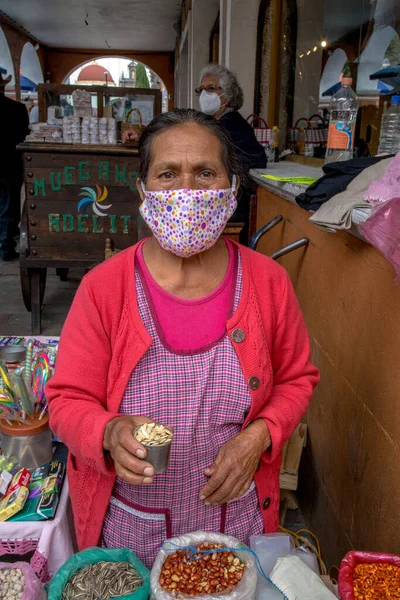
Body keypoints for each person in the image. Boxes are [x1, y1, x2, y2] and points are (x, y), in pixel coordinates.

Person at [46, 109, 319, 569]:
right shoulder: (104, 287)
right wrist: (109, 432)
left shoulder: (268, 283)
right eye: (168, 174)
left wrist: (258, 438)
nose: (187, 191)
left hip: (237, 520)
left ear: (232, 189)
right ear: (143, 190)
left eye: (206, 173)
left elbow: (297, 380)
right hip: (133, 524)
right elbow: (66, 400)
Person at [197, 64, 267, 244]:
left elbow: (253, 162)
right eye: (202, 90)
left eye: (211, 88)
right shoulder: (217, 125)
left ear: (227, 96)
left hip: (230, 210)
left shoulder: (230, 126)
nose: (205, 94)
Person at [0, 73, 29, 261]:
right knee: (8, 209)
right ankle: (5, 246)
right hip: (9, 166)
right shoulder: (17, 109)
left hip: (8, 167)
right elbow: (24, 135)